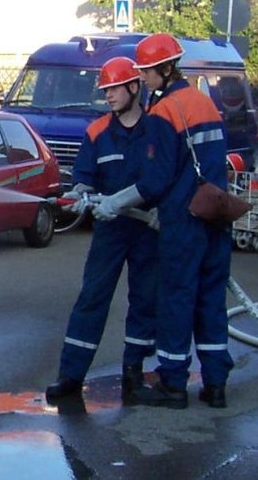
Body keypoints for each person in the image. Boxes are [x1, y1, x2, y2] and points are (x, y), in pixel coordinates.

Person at [92, 33, 234, 409]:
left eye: (147, 70)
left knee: (176, 298)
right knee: (211, 300)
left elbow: (155, 181)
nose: (144, 77)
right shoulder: (206, 103)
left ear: (165, 68)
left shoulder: (164, 113)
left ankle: (173, 383)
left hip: (183, 223)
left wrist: (113, 202)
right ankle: (215, 384)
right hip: (215, 218)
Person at [45, 57, 157, 404]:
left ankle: (134, 376)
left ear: (134, 87)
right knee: (92, 298)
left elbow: (162, 178)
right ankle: (71, 376)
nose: (108, 96)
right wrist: (78, 193)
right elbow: (85, 175)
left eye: (114, 89)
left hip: (147, 228)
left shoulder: (157, 129)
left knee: (143, 300)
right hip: (110, 228)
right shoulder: (96, 132)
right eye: (105, 90)